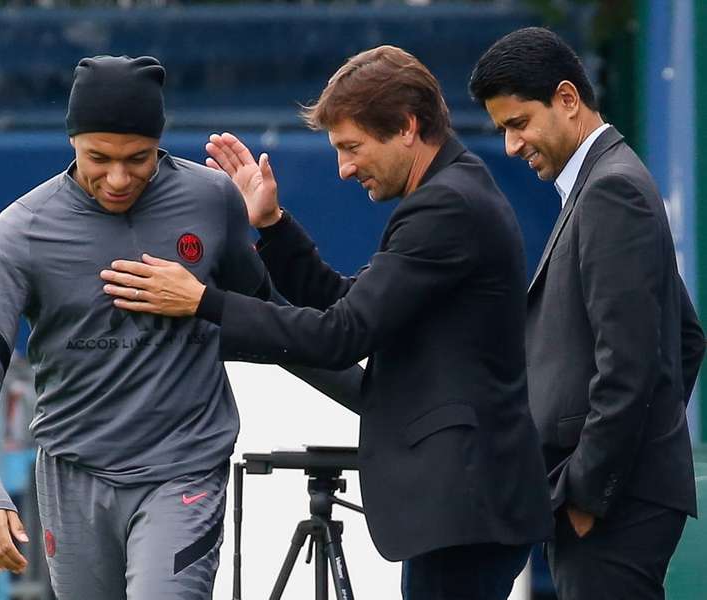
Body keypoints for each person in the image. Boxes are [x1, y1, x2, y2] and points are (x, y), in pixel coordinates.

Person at [101, 45, 553, 600]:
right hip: (467, 507)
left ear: (407, 127)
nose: (343, 168)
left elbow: (341, 335)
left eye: (351, 147)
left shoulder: (447, 207)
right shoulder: (452, 193)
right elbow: (350, 303)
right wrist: (272, 225)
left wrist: (203, 302)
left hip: (466, 508)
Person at [0, 55, 276, 599]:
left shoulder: (212, 198)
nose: (119, 178)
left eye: (139, 158)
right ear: (71, 142)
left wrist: (371, 393)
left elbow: (274, 324)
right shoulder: (19, 232)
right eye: (97, 158)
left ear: (160, 143)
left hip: (185, 469)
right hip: (74, 478)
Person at [469, 27, 705, 600]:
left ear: (568, 100)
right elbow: (686, 338)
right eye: (503, 130)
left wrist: (589, 489)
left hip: (607, 507)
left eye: (519, 124)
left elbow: (629, 364)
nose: (510, 146)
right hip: (616, 499)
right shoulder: (609, 181)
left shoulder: (610, 191)